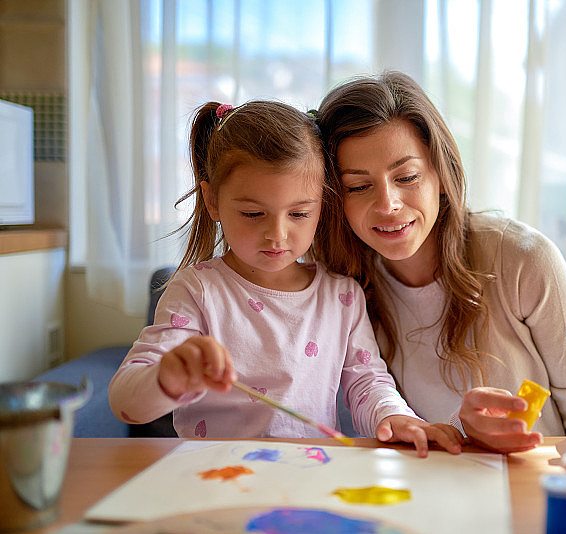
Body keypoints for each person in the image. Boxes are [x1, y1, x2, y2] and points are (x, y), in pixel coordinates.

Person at [315, 71, 566, 453]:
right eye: (358, 186)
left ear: (441, 175)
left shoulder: (524, 259)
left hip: (535, 482)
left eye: (407, 176)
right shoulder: (341, 287)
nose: (387, 204)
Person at [108, 100, 462, 457]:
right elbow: (125, 403)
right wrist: (164, 379)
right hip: (217, 479)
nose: (277, 234)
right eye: (253, 213)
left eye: (299, 213)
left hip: (310, 479)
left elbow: (368, 383)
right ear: (212, 201)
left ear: (322, 206)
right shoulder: (197, 291)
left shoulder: (342, 296)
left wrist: (395, 417)